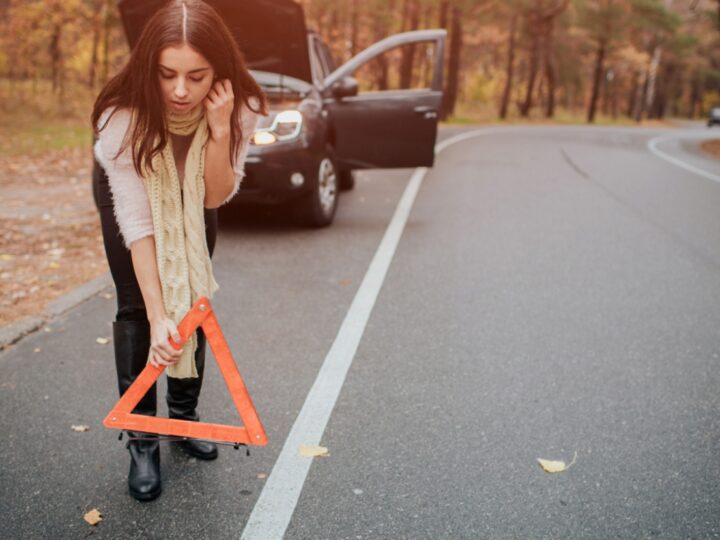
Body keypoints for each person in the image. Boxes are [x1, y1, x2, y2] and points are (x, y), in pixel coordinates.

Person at [90, 0, 267, 502]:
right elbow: (140, 221)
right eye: (167, 75)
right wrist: (156, 312)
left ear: (220, 72)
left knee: (192, 300)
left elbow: (213, 196)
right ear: (150, 68)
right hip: (132, 197)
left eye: (197, 75)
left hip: (196, 194)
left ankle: (185, 419)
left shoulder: (242, 107)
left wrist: (218, 130)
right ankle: (143, 438)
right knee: (137, 307)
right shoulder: (120, 116)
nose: (181, 90)